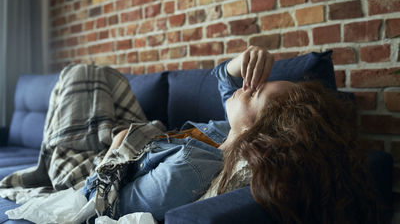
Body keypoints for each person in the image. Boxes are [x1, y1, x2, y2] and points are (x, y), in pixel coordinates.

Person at [82, 46, 380, 223]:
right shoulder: (232, 131)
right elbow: (224, 78)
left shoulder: (190, 170)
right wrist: (245, 59)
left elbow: (104, 201)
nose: (247, 87)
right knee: (104, 76)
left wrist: (115, 149)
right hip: (140, 133)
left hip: (93, 162)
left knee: (84, 75)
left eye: (254, 92)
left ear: (255, 130)